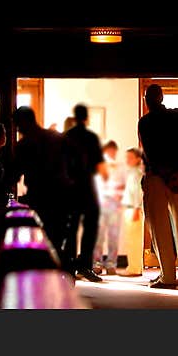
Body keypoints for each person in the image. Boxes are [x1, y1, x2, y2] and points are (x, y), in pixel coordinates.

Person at [138, 84, 178, 288]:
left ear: (147, 100)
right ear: (162, 97)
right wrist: (177, 173)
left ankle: (168, 276)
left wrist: (166, 176)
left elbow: (151, 153)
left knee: (159, 226)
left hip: (157, 178)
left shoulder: (146, 122)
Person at [10, 106, 71, 262]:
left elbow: (13, 174)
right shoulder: (56, 138)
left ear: (24, 122)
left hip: (40, 197)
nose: (17, 129)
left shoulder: (24, 145)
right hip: (61, 196)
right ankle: (64, 277)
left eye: (17, 125)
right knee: (59, 241)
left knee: (41, 242)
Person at [61, 104, 105, 282]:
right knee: (91, 226)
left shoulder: (66, 137)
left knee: (70, 227)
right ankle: (85, 265)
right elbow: (98, 164)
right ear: (86, 118)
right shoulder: (91, 137)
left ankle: (69, 267)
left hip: (70, 187)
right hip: (87, 186)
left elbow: (61, 164)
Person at [94, 140, 126, 275]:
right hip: (101, 202)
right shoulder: (98, 167)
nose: (111, 153)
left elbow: (123, 185)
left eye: (113, 151)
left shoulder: (119, 168)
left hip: (114, 203)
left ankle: (111, 264)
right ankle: (96, 264)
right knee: (99, 236)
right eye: (109, 151)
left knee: (113, 236)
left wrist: (118, 195)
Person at [121, 146, 145, 276]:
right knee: (131, 239)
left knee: (134, 240)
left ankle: (135, 268)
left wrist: (136, 208)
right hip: (130, 207)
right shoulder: (132, 173)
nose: (127, 160)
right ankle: (135, 267)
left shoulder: (137, 173)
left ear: (137, 159)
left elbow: (138, 192)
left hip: (134, 208)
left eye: (130, 158)